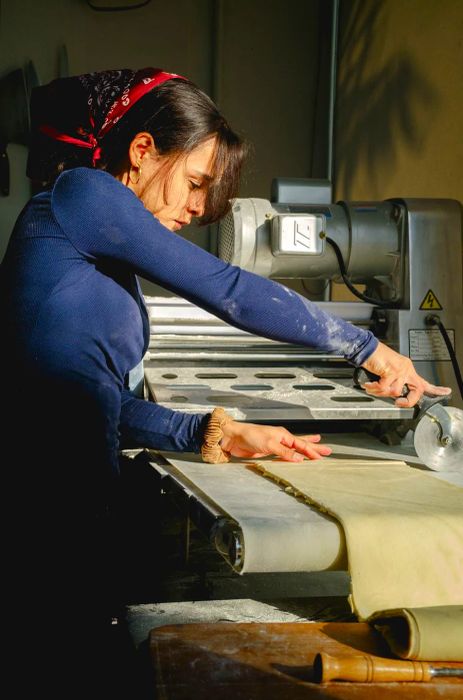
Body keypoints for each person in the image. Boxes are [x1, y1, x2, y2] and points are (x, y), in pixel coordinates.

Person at [0, 67, 449, 696]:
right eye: (195, 182)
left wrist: (216, 432)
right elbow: (229, 292)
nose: (200, 208)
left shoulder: (95, 255)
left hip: (73, 506)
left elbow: (95, 401)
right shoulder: (83, 194)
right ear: (142, 150)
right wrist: (363, 346)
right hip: (41, 513)